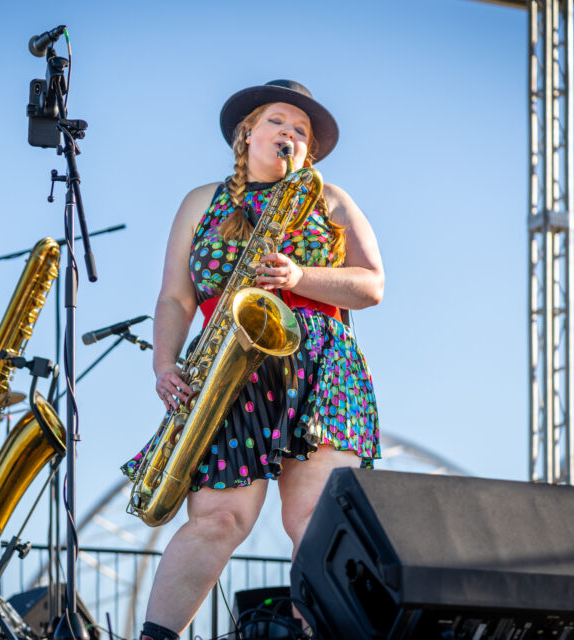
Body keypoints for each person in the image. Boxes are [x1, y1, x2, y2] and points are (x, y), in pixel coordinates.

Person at [121, 79, 384, 640]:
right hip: (228, 368)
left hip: (319, 364)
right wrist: (164, 365)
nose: (291, 134)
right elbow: (175, 297)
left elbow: (372, 284)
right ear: (247, 134)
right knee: (217, 519)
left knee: (314, 520)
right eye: (279, 121)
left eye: (302, 130)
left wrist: (301, 276)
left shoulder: (330, 197)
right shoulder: (201, 200)